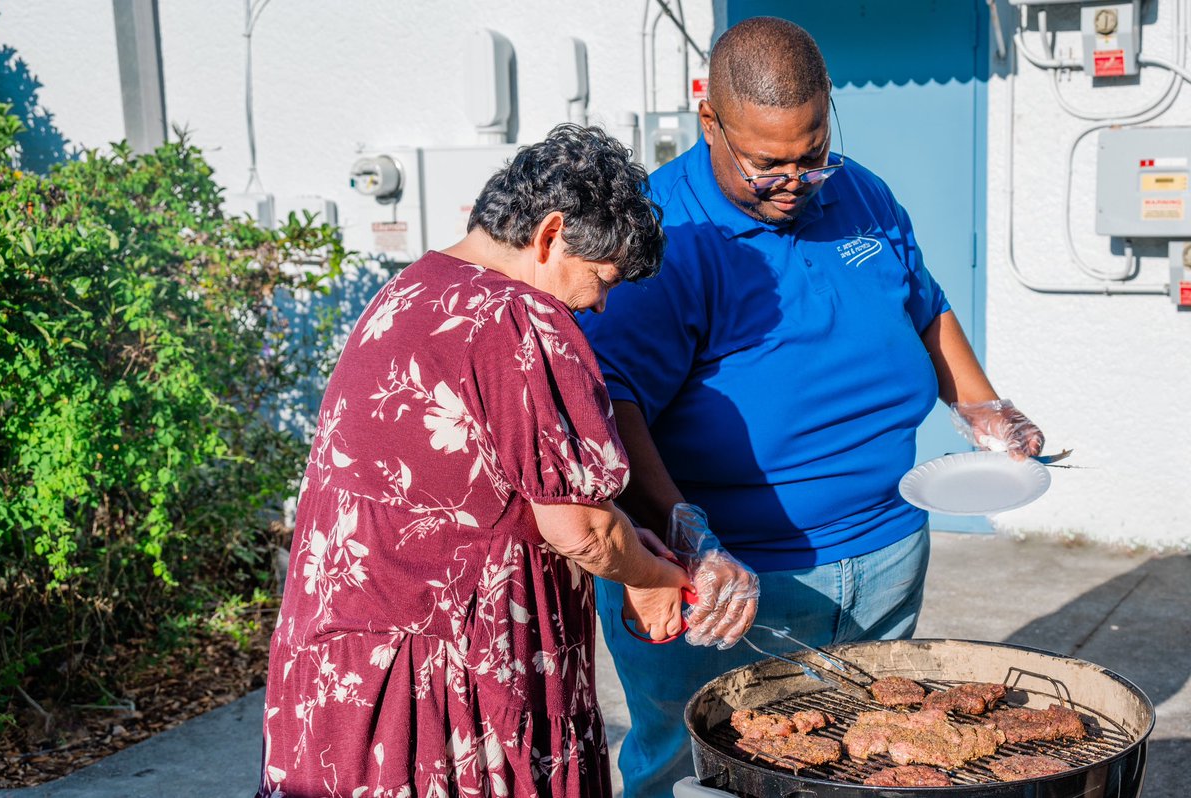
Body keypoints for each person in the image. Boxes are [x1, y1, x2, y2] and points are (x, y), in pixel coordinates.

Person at [579, 17, 1045, 798]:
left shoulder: (860, 191)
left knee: (867, 759)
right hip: (730, 582)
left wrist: (984, 404)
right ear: (709, 120)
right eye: (767, 166)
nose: (794, 182)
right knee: (691, 770)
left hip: (887, 549)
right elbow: (611, 404)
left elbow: (925, 307)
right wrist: (691, 534)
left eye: (812, 156)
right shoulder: (665, 234)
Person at [256, 125, 694, 798]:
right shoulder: (523, 320)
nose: (600, 304)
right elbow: (577, 527)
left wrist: (613, 526)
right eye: (602, 279)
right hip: (445, 687)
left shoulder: (410, 289)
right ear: (550, 236)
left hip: (345, 670)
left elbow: (483, 482)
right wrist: (647, 577)